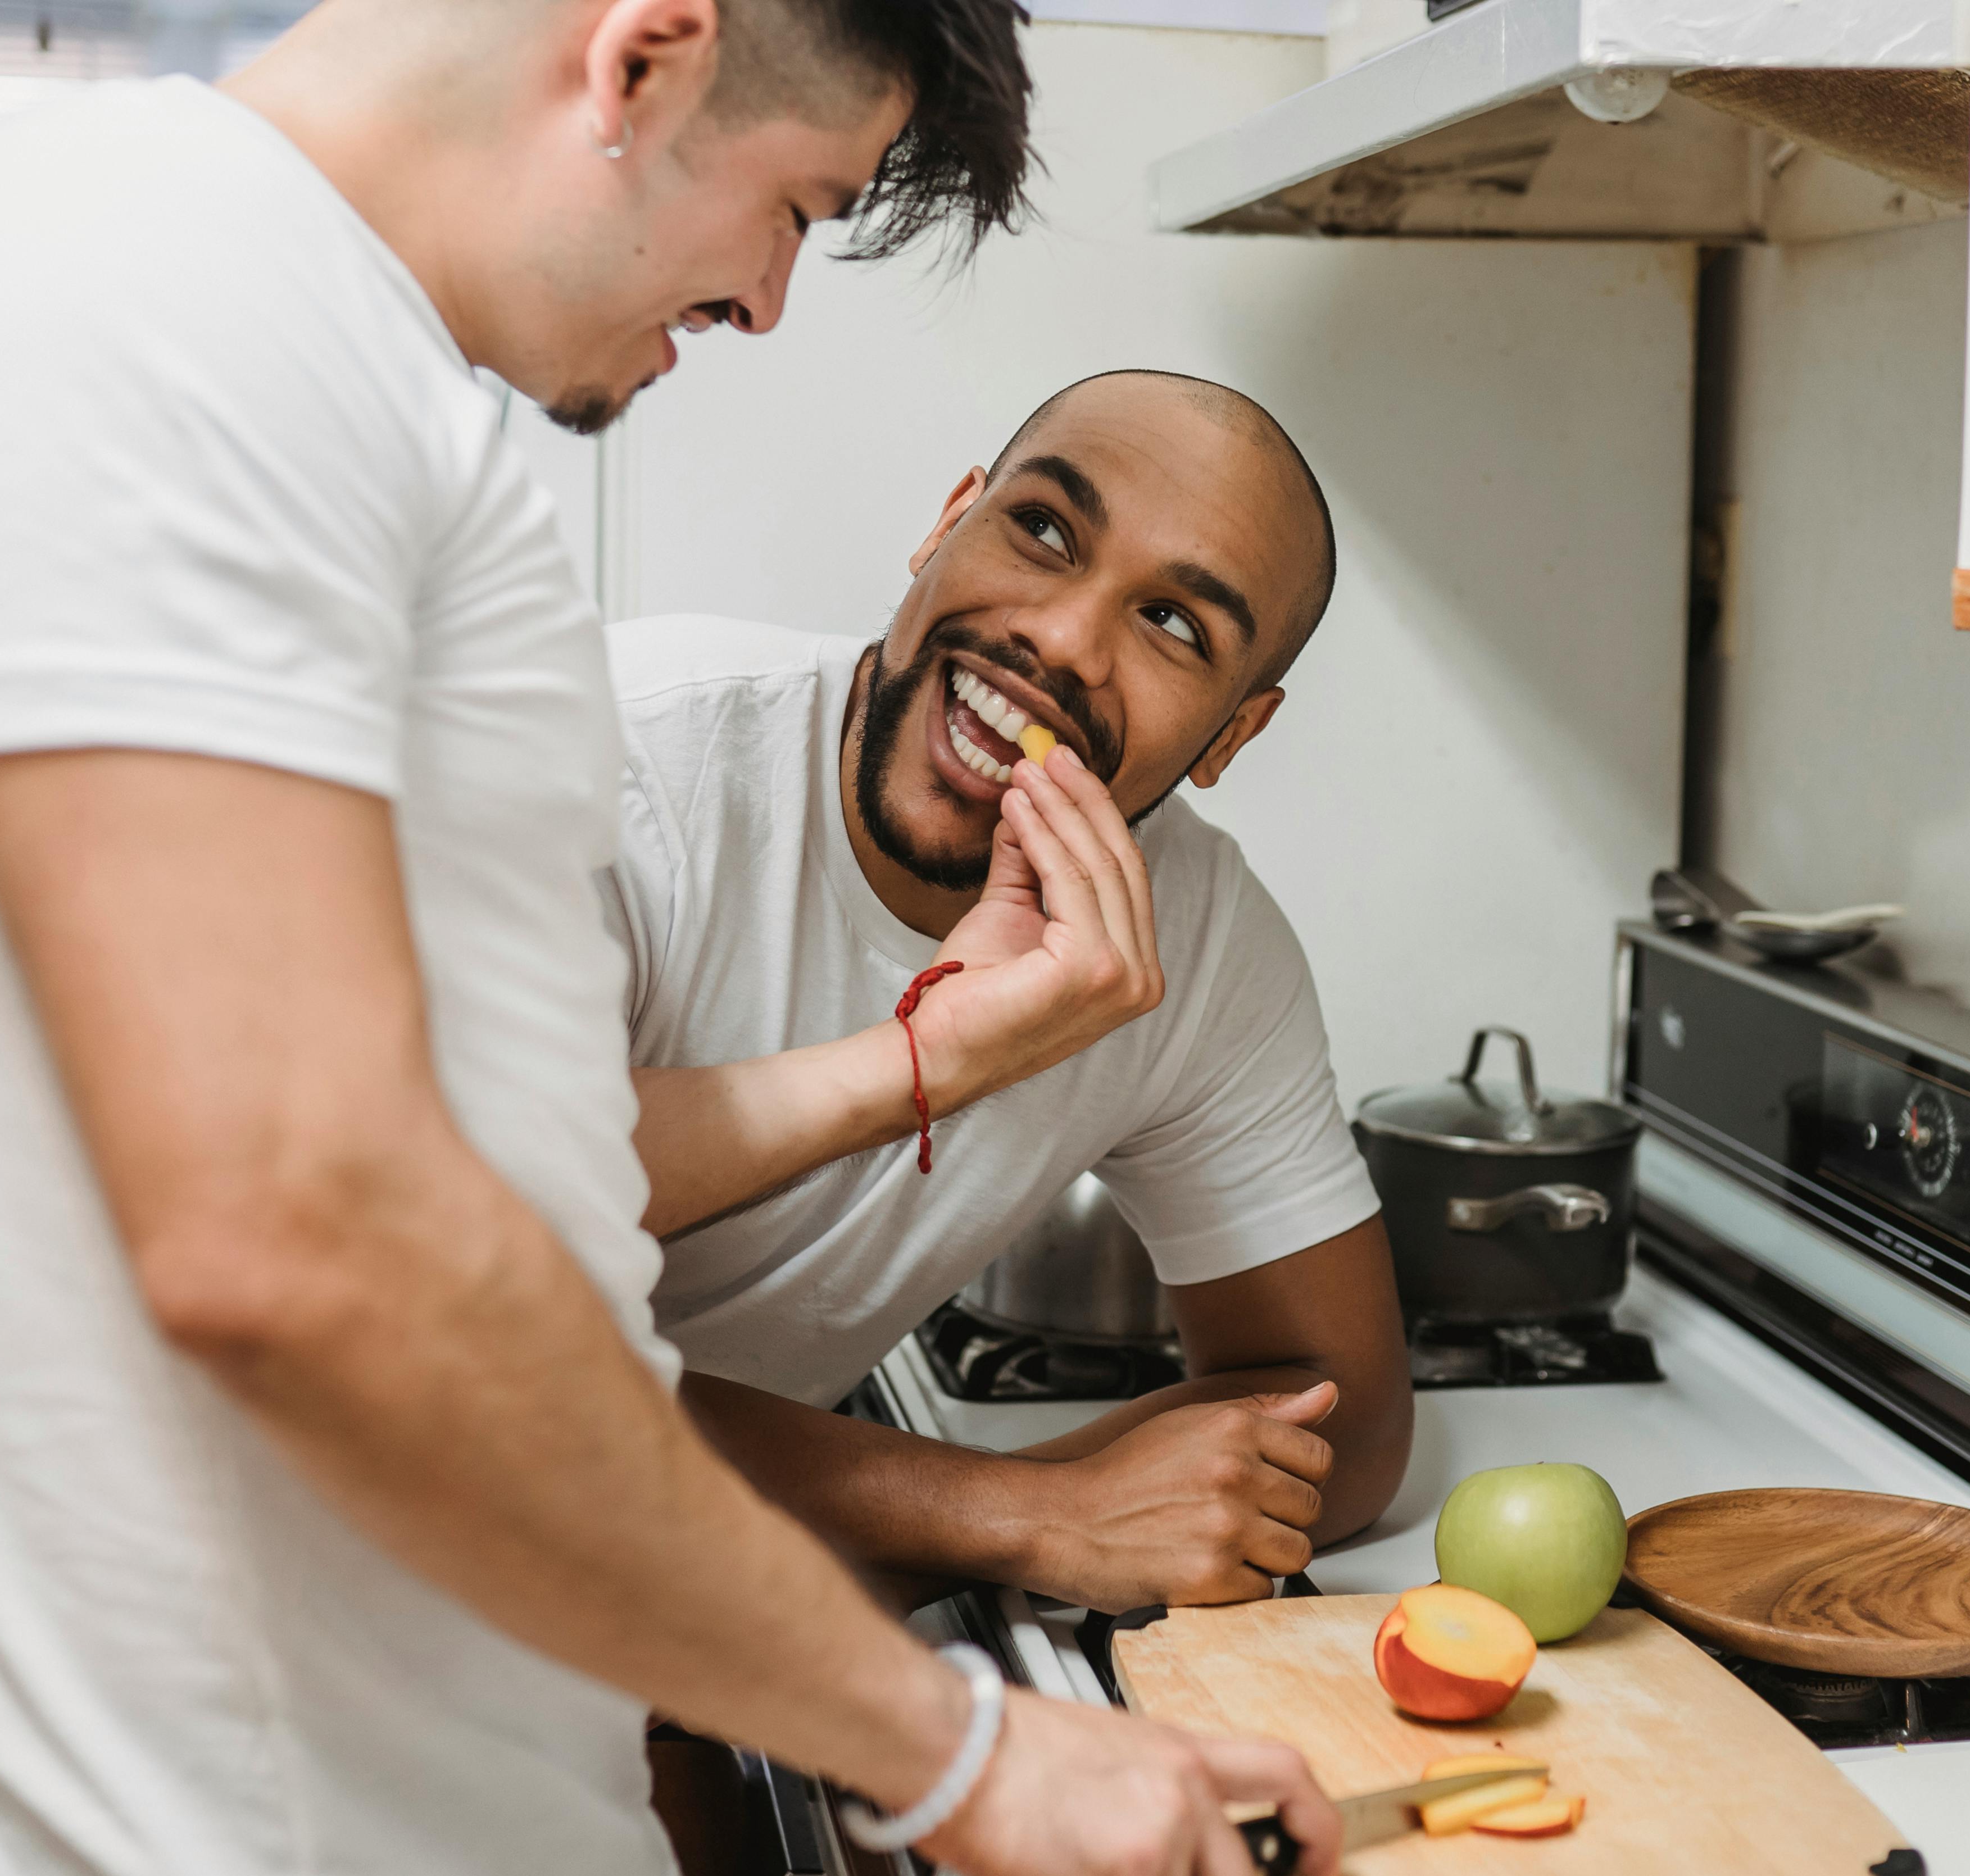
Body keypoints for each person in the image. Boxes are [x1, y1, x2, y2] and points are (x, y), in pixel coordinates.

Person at [0, 3, 1336, 1876]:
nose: (765, 298)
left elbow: (511, 1182)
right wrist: (971, 1753)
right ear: (642, 56)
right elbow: (305, 1237)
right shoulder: (148, 300)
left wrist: (919, 1059)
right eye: (795, 207)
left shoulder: (351, 396)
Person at [606, 370, 1414, 1611]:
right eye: (1042, 530)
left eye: (1173, 626)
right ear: (946, 522)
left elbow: (1338, 1415)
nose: (1061, 639)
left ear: (1231, 735)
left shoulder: (1197, 942)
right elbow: (435, 1312)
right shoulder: (620, 756)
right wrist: (1020, 1519)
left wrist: (1049, 1520)